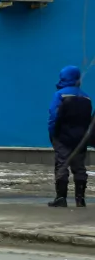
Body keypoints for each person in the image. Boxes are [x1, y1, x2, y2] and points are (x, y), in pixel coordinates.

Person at [47, 65, 92, 207]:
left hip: (63, 136)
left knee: (62, 165)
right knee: (79, 167)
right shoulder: (86, 97)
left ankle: (61, 198)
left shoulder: (60, 94)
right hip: (80, 138)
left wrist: (53, 134)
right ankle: (80, 199)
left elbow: (54, 116)